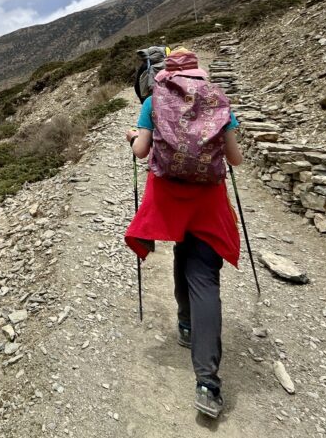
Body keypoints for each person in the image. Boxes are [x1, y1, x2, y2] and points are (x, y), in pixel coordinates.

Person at [123, 48, 243, 419]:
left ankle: (186, 324)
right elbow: (235, 159)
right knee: (204, 276)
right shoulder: (218, 101)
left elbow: (141, 152)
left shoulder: (153, 102)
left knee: (181, 251)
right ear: (198, 73)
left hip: (169, 199)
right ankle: (207, 382)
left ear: (165, 74)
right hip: (207, 201)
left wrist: (132, 137)